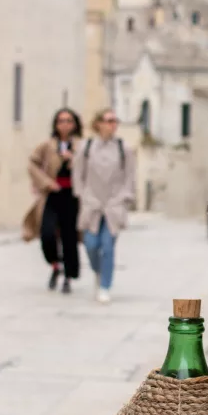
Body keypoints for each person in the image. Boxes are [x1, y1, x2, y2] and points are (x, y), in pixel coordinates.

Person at [73, 108, 136, 304]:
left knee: (108, 246)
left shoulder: (123, 148)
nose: (112, 124)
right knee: (91, 245)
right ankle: (98, 271)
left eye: (115, 121)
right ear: (98, 123)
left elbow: (130, 175)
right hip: (92, 203)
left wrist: (124, 197)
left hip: (114, 204)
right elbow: (78, 174)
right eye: (108, 120)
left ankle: (105, 286)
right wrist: (82, 195)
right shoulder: (87, 147)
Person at [23, 108, 83, 293]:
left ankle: (68, 276)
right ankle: (55, 265)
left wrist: (74, 160)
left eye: (68, 120)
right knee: (47, 233)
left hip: (72, 196)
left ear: (74, 124)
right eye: (61, 121)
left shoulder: (82, 146)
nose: (64, 124)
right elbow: (32, 164)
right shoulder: (47, 146)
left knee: (69, 236)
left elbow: (89, 168)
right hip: (52, 195)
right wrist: (45, 183)